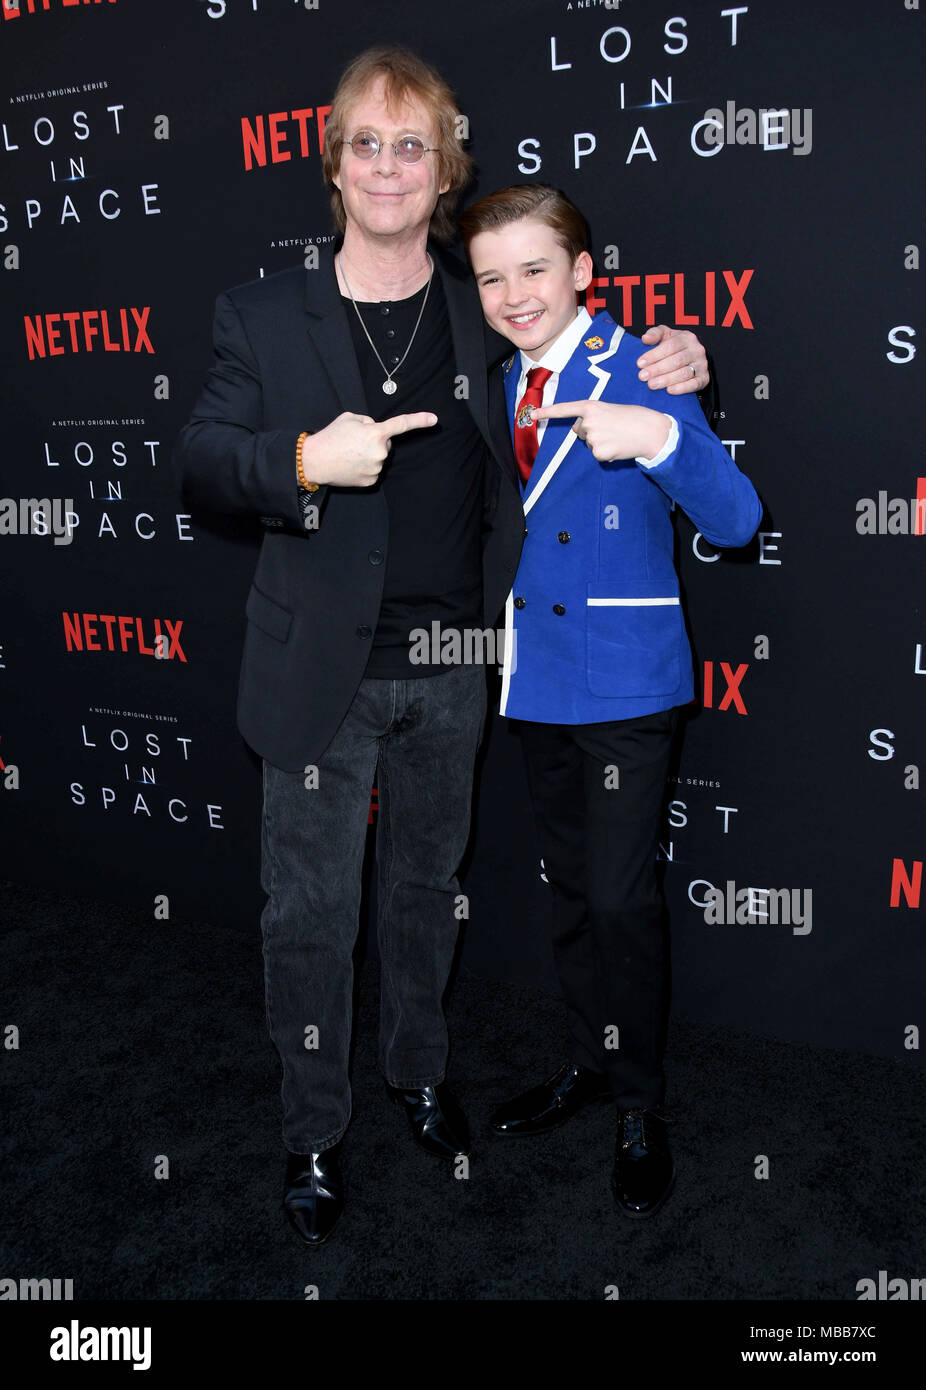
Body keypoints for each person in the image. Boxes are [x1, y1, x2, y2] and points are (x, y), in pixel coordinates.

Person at [175, 47, 710, 1246]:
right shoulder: (261, 315)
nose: (385, 166)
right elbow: (203, 458)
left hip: (456, 665)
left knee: (424, 896)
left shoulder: (481, 305)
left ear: (441, 168)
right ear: (332, 163)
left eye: (408, 145)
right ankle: (312, 1132)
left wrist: (678, 357)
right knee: (307, 916)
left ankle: (417, 1076)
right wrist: (305, 461)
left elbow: (584, 335)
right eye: (363, 142)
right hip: (318, 671)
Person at [458, 184, 761, 1216]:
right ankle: (592, 1060)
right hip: (535, 676)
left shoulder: (642, 364)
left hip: (624, 679)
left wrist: (662, 440)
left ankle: (639, 1106)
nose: (513, 293)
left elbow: (734, 518)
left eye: (533, 268)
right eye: (492, 275)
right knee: (573, 891)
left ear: (585, 271)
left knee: (624, 901)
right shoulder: (496, 381)